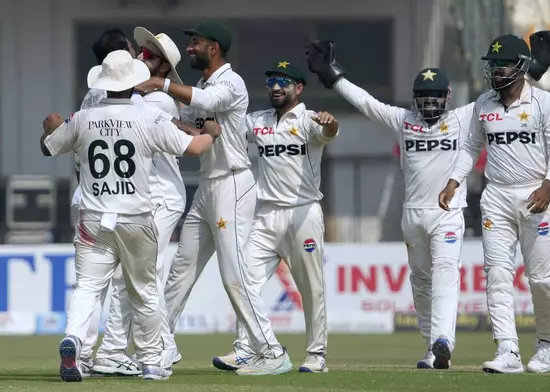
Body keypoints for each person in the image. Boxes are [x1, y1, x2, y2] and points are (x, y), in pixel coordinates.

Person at [39, 50, 219, 381]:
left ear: (102, 84)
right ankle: (151, 361)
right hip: (136, 217)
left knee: (88, 287)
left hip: (93, 219)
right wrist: (211, 135)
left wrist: (49, 127)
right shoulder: (147, 117)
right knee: (145, 290)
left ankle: (75, 342)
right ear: (133, 81)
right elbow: (193, 149)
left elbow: (48, 146)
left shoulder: (83, 117)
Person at [135, 21, 291, 374]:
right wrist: (183, 124)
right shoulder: (202, 84)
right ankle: (161, 348)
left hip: (232, 186)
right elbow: (189, 123)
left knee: (234, 275)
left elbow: (206, 102)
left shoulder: (229, 82)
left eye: (196, 42)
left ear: (215, 47)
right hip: (207, 188)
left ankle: (271, 352)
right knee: (180, 272)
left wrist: (160, 82)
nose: (190, 48)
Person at [305, 41, 473, 370]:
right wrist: (334, 77)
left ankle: (444, 340)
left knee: (445, 273)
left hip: (448, 214)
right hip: (413, 215)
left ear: (447, 98)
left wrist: (531, 70)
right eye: (423, 99)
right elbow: (367, 103)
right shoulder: (402, 120)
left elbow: (493, 98)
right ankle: (432, 348)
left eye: (434, 99)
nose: (427, 105)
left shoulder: (461, 119)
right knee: (421, 282)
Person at [439, 33, 550, 374]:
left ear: (521, 66)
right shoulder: (484, 104)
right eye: (492, 65)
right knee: (497, 275)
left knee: (540, 279)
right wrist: (453, 181)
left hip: (534, 196)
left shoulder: (544, 102)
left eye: (502, 64)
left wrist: (548, 186)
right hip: (496, 196)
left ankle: (545, 343)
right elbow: (469, 148)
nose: (495, 71)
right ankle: (507, 349)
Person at [212, 61, 339, 374]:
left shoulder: (309, 120)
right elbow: (226, 130)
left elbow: (329, 132)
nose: (277, 88)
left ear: (299, 88)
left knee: (311, 287)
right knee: (243, 281)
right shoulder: (258, 121)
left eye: (284, 82)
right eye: (271, 82)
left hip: (303, 213)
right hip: (266, 216)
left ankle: (316, 355)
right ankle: (246, 349)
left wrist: (330, 123)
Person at [90, 27, 187, 376]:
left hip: (162, 197)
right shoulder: (121, 93)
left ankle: (121, 350)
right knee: (135, 278)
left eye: (150, 55)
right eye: (140, 51)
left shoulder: (157, 99)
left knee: (138, 278)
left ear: (163, 69)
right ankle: (158, 347)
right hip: (136, 199)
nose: (142, 56)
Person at [70, 28, 139, 376]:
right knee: (126, 282)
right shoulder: (128, 98)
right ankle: (112, 352)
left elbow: (60, 141)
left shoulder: (88, 100)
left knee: (89, 284)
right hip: (122, 200)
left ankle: (79, 349)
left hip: (86, 197)